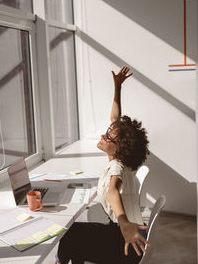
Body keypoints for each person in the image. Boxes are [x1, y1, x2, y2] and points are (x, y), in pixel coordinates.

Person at [55, 65, 151, 264]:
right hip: (131, 235)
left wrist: (124, 223)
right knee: (75, 234)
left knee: (70, 238)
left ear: (119, 148)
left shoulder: (118, 166)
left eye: (108, 136)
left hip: (127, 242)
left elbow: (112, 192)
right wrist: (117, 87)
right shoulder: (125, 157)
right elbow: (115, 119)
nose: (103, 135)